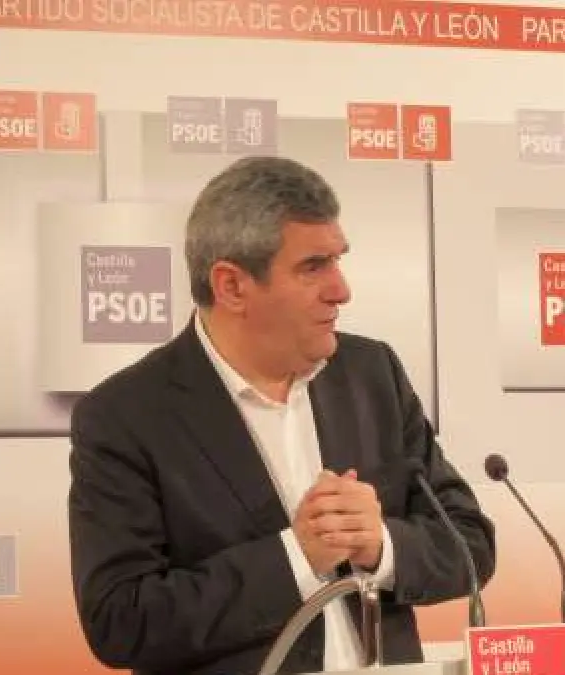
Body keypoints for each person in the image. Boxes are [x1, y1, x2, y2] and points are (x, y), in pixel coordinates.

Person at [67, 155, 497, 675]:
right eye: (313, 267)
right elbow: (121, 621)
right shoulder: (125, 416)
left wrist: (380, 543)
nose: (341, 290)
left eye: (337, 260)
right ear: (232, 286)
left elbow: (470, 544)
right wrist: (297, 557)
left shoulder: (372, 374)